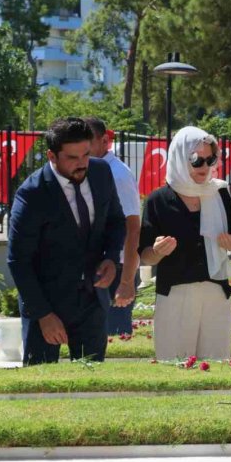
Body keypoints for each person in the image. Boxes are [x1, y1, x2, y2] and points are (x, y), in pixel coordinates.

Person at [8, 117, 125, 365]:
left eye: (85, 154)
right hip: (45, 304)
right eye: (72, 158)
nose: (82, 163)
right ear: (52, 156)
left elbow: (116, 221)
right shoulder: (32, 194)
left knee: (93, 386)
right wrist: (43, 314)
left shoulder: (101, 172)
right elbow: (18, 261)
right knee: (40, 387)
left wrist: (111, 258)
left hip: (92, 300)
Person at [139, 127, 231, 360]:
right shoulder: (158, 200)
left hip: (215, 292)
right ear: (179, 157)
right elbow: (145, 255)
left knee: (216, 365)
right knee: (174, 366)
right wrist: (157, 252)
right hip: (175, 293)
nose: (205, 167)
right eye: (197, 161)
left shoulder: (219, 193)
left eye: (210, 160)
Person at [84, 118, 141, 335]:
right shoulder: (94, 170)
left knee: (112, 339)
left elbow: (133, 228)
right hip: (100, 266)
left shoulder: (117, 174)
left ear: (105, 141)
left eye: (87, 141)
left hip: (116, 271)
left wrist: (126, 281)